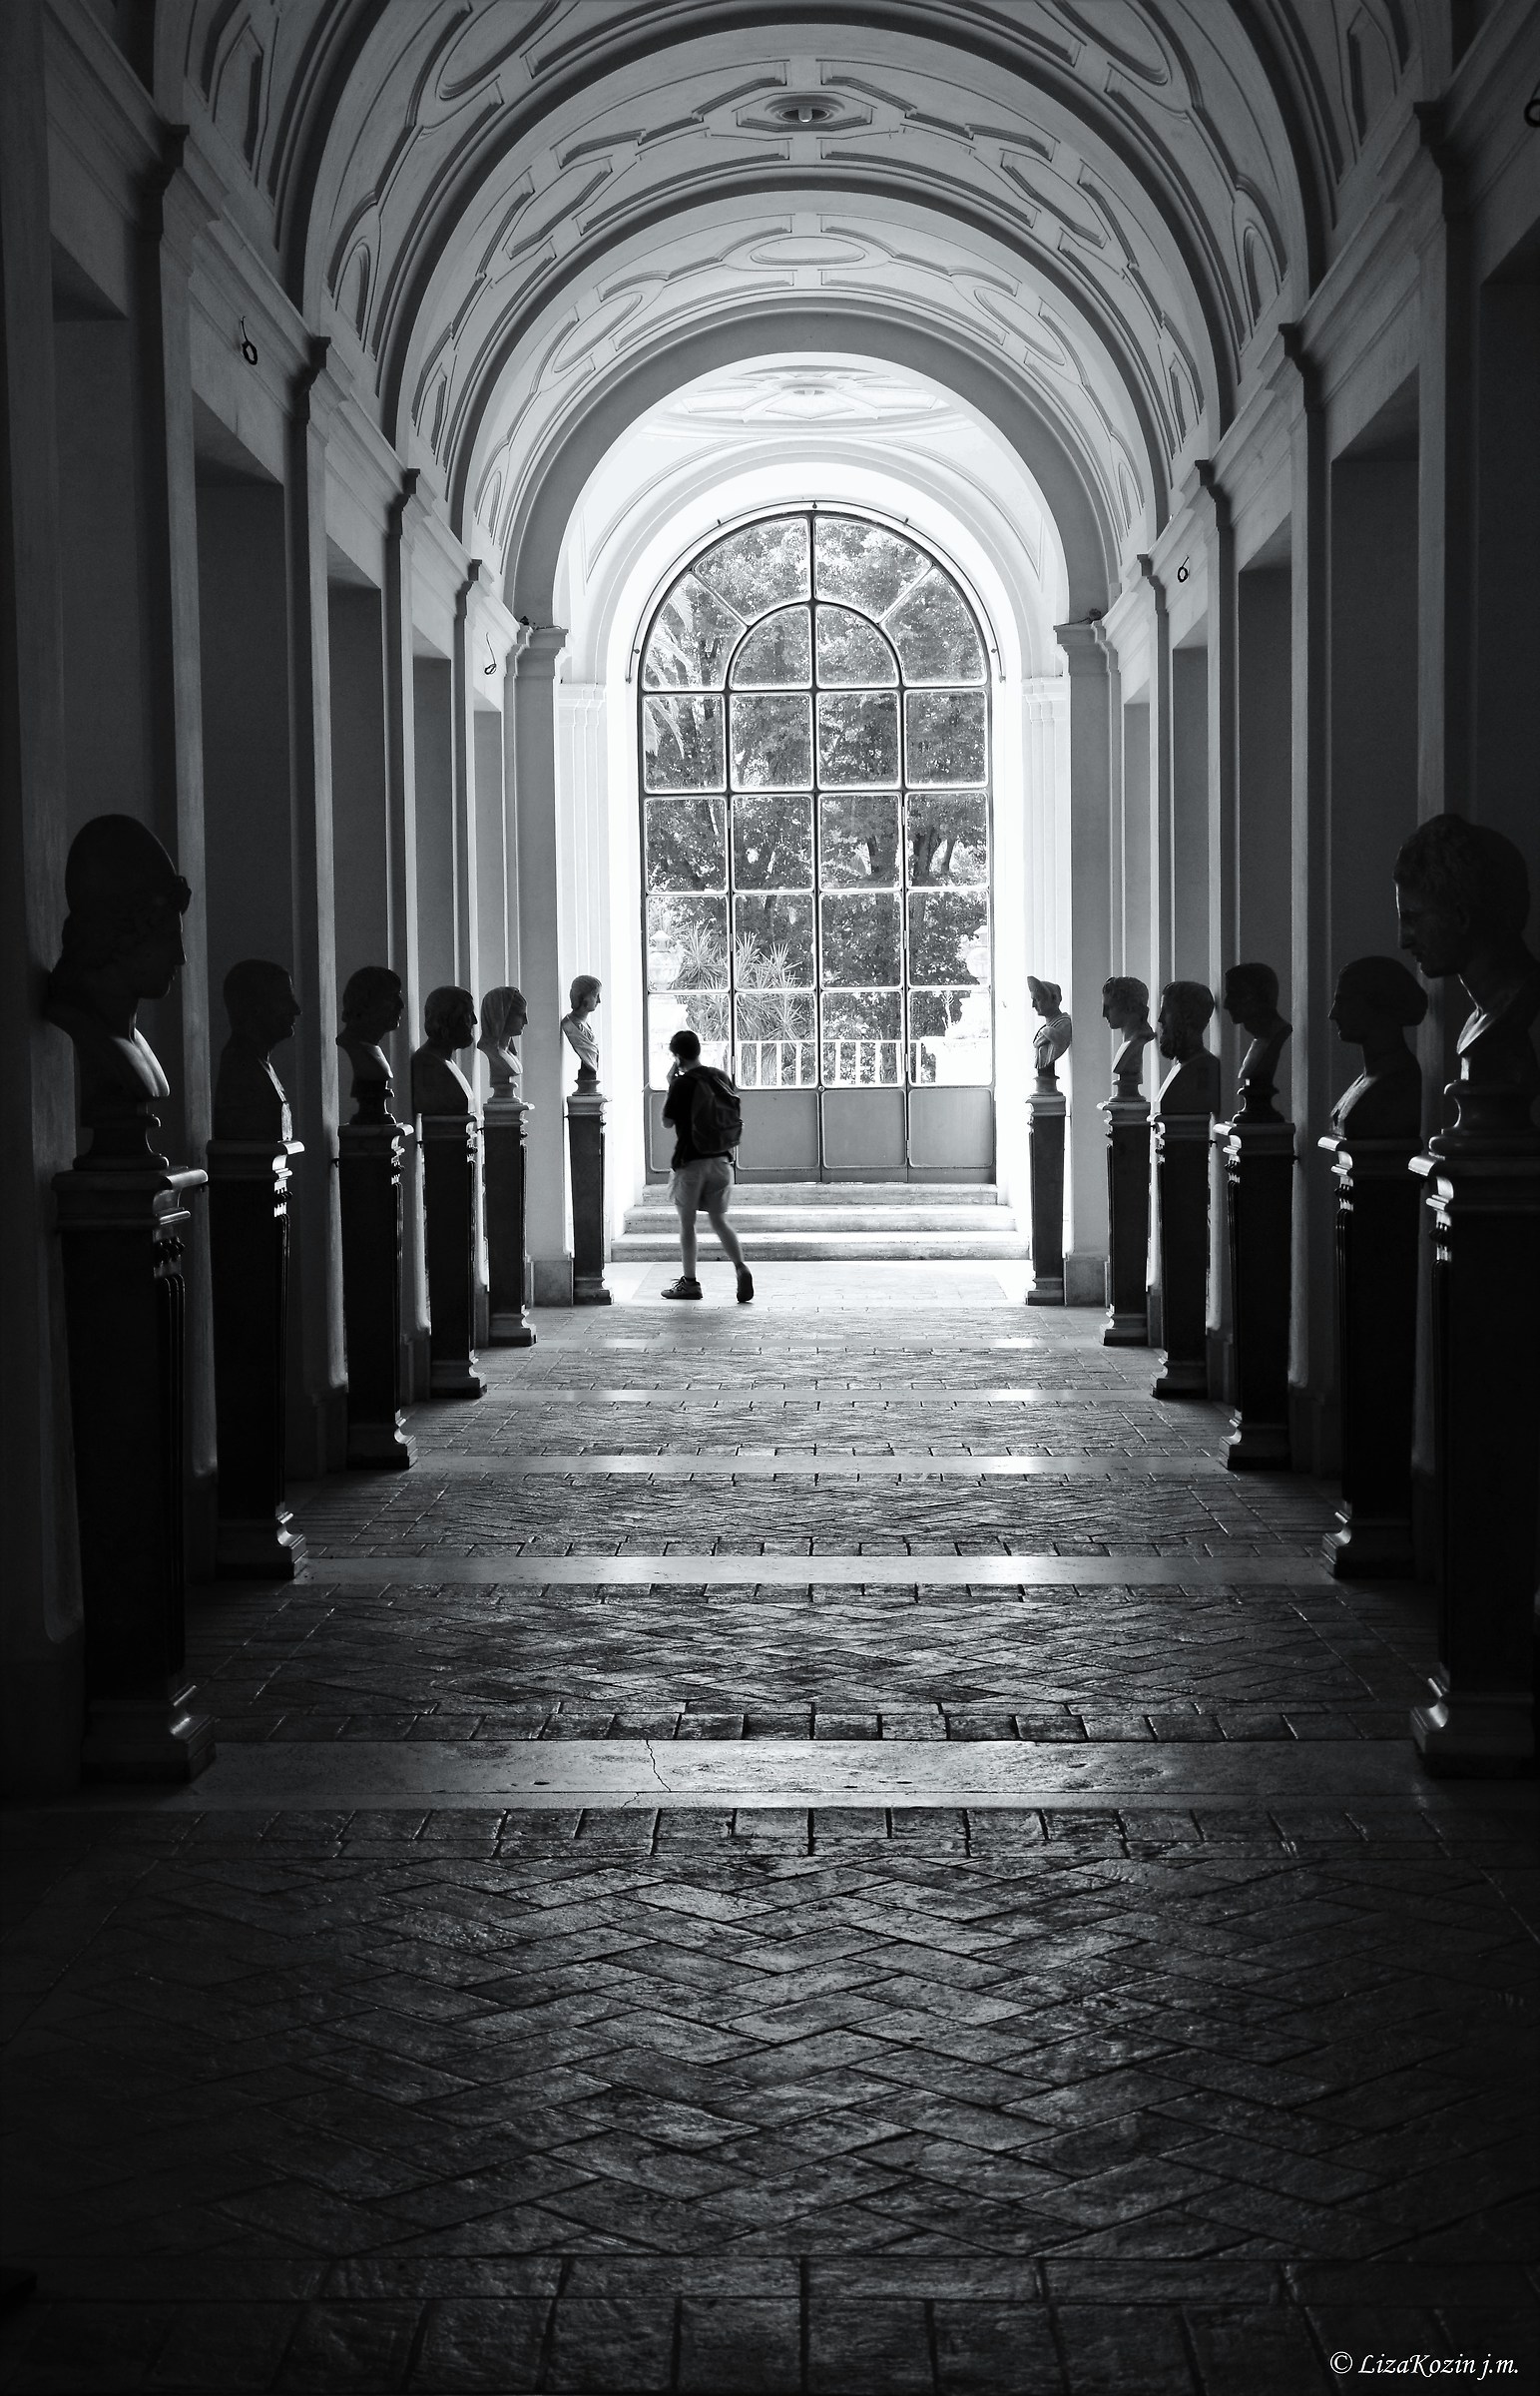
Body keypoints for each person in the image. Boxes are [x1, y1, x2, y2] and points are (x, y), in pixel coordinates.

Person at [660, 1029, 753, 1303]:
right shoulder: (720, 1076)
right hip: (722, 1160)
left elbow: (666, 1122)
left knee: (687, 1224)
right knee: (718, 1220)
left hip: (690, 1162)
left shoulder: (681, 1084)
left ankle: (690, 1283)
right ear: (698, 1050)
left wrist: (670, 1084)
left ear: (677, 1057)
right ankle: (740, 1266)